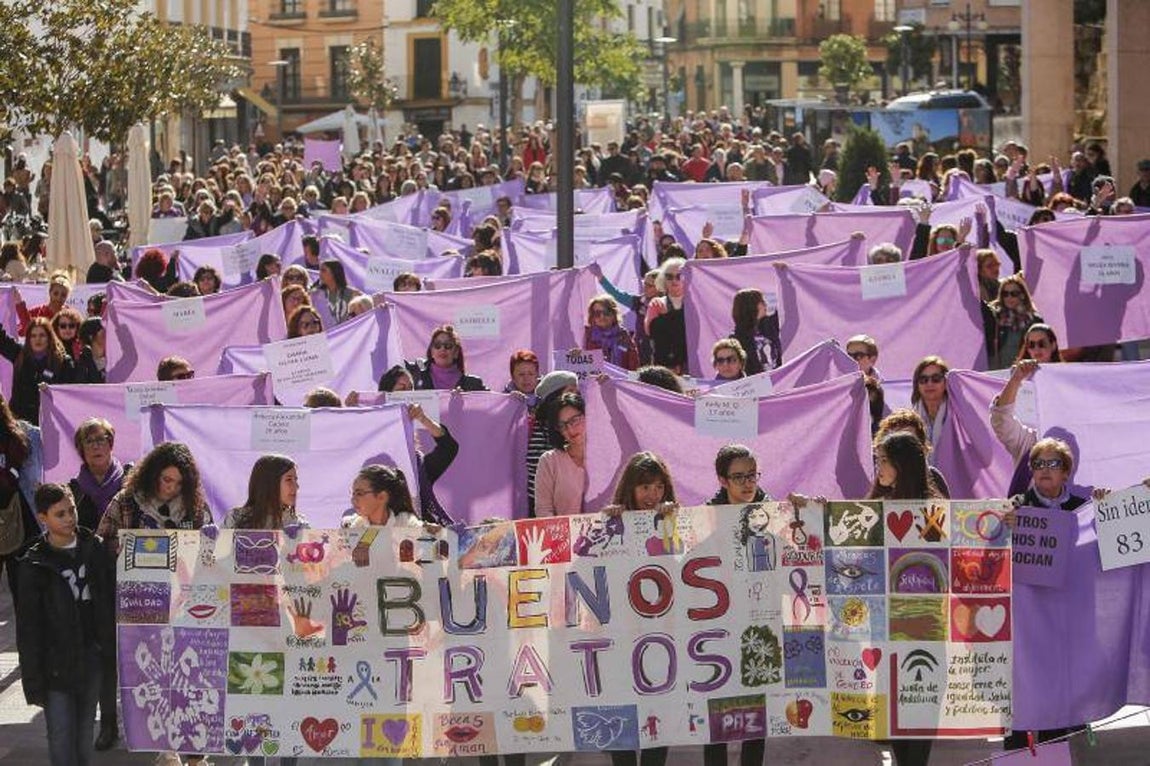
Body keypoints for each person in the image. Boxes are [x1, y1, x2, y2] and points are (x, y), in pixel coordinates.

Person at [15, 483, 115, 766]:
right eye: (60, 514)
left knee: (84, 732)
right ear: (42, 518)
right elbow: (28, 629)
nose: (70, 518)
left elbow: (106, 600)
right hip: (55, 665)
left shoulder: (92, 547)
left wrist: (106, 647)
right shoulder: (33, 564)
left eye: (71, 510)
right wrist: (33, 680)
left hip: (91, 657)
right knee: (60, 734)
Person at [604, 451, 677, 766]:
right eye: (645, 487)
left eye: (659, 487)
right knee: (618, 714)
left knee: (658, 716)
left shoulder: (673, 521)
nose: (653, 495)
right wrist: (606, 525)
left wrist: (672, 525)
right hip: (619, 638)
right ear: (630, 488)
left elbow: (680, 566)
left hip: (660, 636)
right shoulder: (610, 520)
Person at [66, 418, 130, 751]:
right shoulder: (74, 490)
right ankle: (108, 726)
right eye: (89, 441)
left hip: (133, 580)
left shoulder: (132, 481)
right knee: (105, 656)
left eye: (102, 438)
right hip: (95, 586)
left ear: (111, 443)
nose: (96, 446)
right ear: (81, 450)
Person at [97, 442, 209, 554]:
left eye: (180, 483)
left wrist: (210, 539)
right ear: (153, 475)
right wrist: (120, 547)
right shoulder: (125, 501)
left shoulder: (196, 507)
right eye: (167, 480)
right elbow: (100, 544)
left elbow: (209, 554)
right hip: (133, 570)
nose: (172, 488)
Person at [0, 316, 77, 424]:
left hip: (49, 422)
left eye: (42, 335)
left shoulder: (63, 362)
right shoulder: (19, 354)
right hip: (20, 421)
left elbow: (69, 393)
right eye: (33, 336)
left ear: (49, 337)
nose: (38, 339)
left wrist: (50, 390)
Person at [534, 393, 588, 515]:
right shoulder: (549, 461)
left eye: (574, 420)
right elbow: (543, 510)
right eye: (562, 425)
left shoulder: (608, 457)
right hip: (562, 533)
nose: (570, 429)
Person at [223, 454, 303, 530]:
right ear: (269, 483)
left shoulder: (298, 525)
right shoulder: (236, 519)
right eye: (289, 480)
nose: (296, 486)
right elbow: (220, 544)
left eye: (295, 480)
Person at [983, 275, 1043, 370]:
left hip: (1022, 371)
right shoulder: (995, 317)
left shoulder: (1034, 320)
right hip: (996, 371)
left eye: (1014, 293)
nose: (1009, 297)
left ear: (1022, 295)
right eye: (1005, 294)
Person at [405, 325, 487, 391]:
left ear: (456, 352)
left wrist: (466, 401)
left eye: (448, 346)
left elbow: (495, 403)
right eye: (437, 345)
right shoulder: (414, 374)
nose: (442, 349)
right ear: (431, 352)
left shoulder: (473, 385)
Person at [645, 257, 688, 374]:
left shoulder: (694, 303)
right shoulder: (656, 303)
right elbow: (650, 331)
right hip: (664, 365)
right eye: (669, 276)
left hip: (690, 363)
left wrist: (665, 319)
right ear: (663, 279)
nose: (674, 280)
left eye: (679, 276)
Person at [730, 287, 782, 375]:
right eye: (761, 301)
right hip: (756, 386)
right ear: (751, 306)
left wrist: (787, 280)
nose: (766, 304)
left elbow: (785, 308)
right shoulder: (736, 338)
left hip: (779, 382)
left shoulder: (769, 325)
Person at [583, 295, 639, 370]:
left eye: (606, 312)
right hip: (593, 380)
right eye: (597, 313)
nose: (602, 316)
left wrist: (631, 381)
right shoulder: (585, 335)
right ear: (592, 316)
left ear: (614, 314)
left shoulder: (623, 335)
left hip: (618, 381)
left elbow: (633, 364)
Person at [910, 355, 949, 456]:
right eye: (923, 379)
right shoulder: (911, 419)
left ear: (946, 383)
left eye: (936, 379)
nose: (929, 384)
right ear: (917, 385)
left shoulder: (958, 415)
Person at [313, 259, 362, 325]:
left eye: (323, 270)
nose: (320, 274)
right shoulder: (315, 295)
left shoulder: (353, 294)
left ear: (334, 272)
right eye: (320, 270)